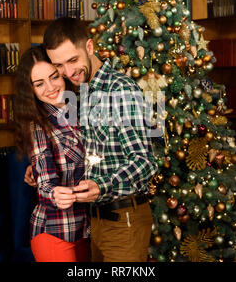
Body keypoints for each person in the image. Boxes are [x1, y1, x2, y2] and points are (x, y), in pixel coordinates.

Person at [24, 17, 158, 262]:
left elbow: (145, 161)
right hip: (93, 223)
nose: (68, 71)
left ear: (89, 47)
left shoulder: (120, 90)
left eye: (73, 60)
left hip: (124, 219)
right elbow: (80, 149)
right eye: (59, 66)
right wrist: (38, 168)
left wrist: (101, 186)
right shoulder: (81, 92)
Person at [14, 46, 89, 262]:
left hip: (86, 229)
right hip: (54, 230)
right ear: (32, 91)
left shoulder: (81, 111)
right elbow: (46, 182)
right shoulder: (38, 125)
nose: (50, 87)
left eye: (54, 77)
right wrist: (54, 191)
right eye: (39, 84)